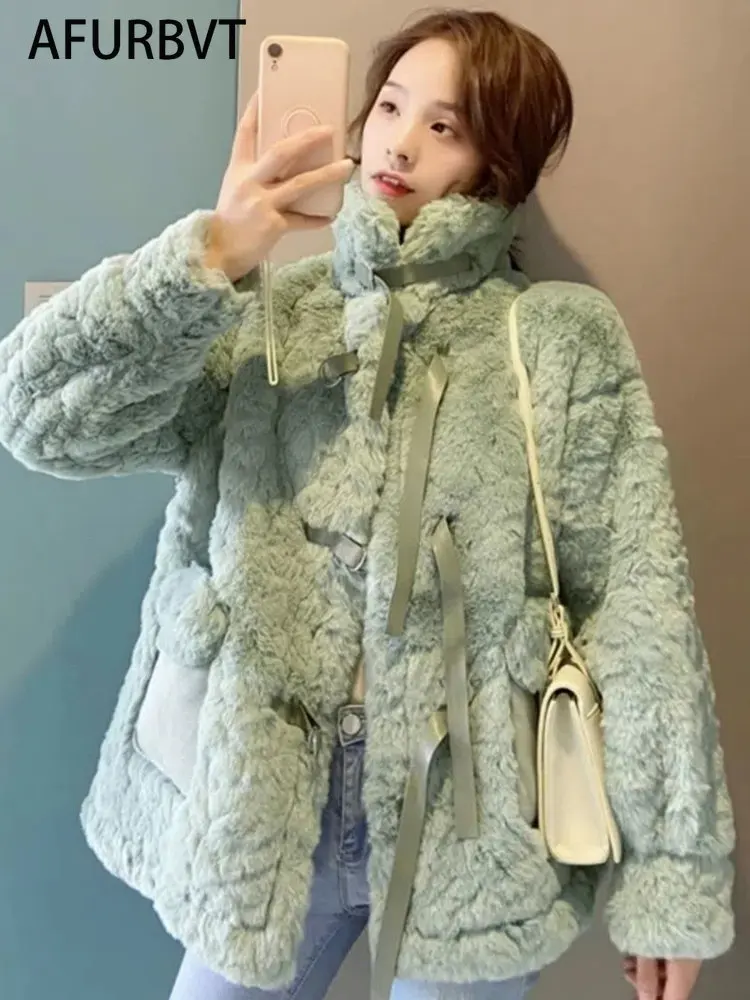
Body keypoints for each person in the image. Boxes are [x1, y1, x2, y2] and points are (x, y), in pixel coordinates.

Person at [0, 9, 736, 1000]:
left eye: (445, 125)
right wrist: (211, 257)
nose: (398, 142)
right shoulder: (273, 312)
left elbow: (638, 607)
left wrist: (670, 884)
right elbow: (38, 417)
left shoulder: (559, 338)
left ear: (499, 163)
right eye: (389, 106)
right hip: (261, 809)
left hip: (472, 832)